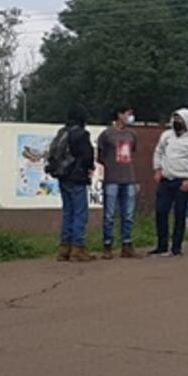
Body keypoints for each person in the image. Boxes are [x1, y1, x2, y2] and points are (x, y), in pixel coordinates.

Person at [151, 108, 188, 257]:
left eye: (180, 120)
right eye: (175, 119)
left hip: (183, 181)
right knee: (161, 212)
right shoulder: (166, 136)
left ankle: (176, 247)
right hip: (166, 179)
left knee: (180, 214)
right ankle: (162, 246)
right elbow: (158, 151)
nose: (177, 122)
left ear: (186, 121)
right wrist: (157, 169)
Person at [53, 105, 96, 262]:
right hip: (77, 177)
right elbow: (87, 155)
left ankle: (64, 248)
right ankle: (78, 249)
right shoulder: (81, 134)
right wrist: (89, 168)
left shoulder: (62, 132)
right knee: (80, 213)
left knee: (68, 212)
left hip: (62, 176)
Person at [98, 105, 138, 259]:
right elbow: (100, 156)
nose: (129, 116)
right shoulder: (107, 134)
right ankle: (107, 245)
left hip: (129, 178)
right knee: (109, 214)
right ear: (119, 114)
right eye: (127, 113)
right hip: (112, 178)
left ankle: (127, 244)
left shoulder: (132, 134)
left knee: (128, 214)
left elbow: (134, 151)